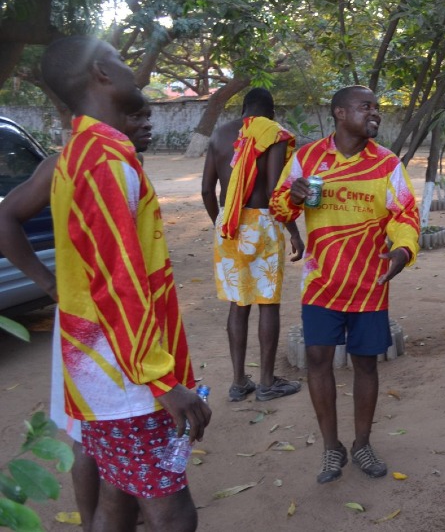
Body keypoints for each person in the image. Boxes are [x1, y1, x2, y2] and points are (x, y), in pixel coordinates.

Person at [39, 35, 209, 532]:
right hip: (124, 379)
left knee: (117, 497)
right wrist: (163, 381)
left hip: (105, 372)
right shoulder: (105, 161)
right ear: (101, 73)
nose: (131, 68)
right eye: (119, 59)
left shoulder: (84, 152)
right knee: (172, 514)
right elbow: (119, 283)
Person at [0, 103, 153, 531]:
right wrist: (49, 285)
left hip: (123, 323)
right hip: (96, 330)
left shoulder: (126, 164)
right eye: (136, 115)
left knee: (103, 429)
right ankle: (96, 520)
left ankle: (119, 510)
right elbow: (6, 217)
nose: (147, 123)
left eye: (149, 115)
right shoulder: (68, 163)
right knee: (91, 431)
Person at [270, 85, 419, 484]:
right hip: (321, 284)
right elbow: (278, 206)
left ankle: (363, 444)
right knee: (318, 363)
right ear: (339, 112)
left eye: (377, 108)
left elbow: (405, 214)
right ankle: (331, 448)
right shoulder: (307, 158)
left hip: (370, 282)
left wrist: (403, 251)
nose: (375, 113)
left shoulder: (386, 164)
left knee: (366, 363)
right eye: (365, 107)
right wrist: (294, 197)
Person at [202, 88, 304, 403]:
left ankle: (238, 382)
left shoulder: (220, 134)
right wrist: (294, 231)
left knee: (239, 302)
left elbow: (207, 190)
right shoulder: (272, 133)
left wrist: (222, 222)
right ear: (269, 113)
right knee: (267, 303)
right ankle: (266, 382)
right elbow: (276, 192)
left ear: (244, 108)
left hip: (229, 226)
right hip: (263, 225)